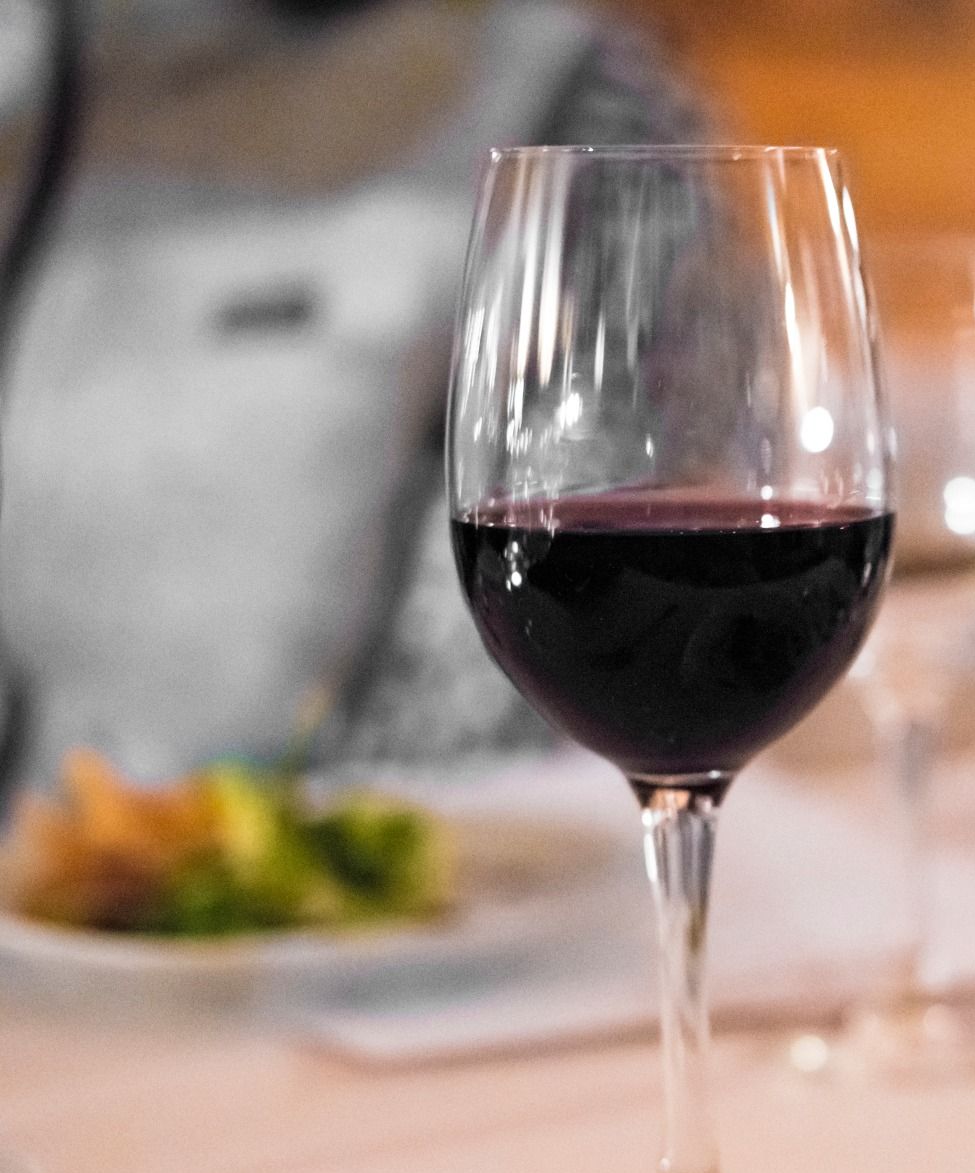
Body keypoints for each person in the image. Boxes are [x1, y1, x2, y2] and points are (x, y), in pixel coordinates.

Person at [0, 0, 702, 798]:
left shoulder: (579, 111)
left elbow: (527, 681)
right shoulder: (38, 79)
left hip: (278, 880)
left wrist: (223, 877)